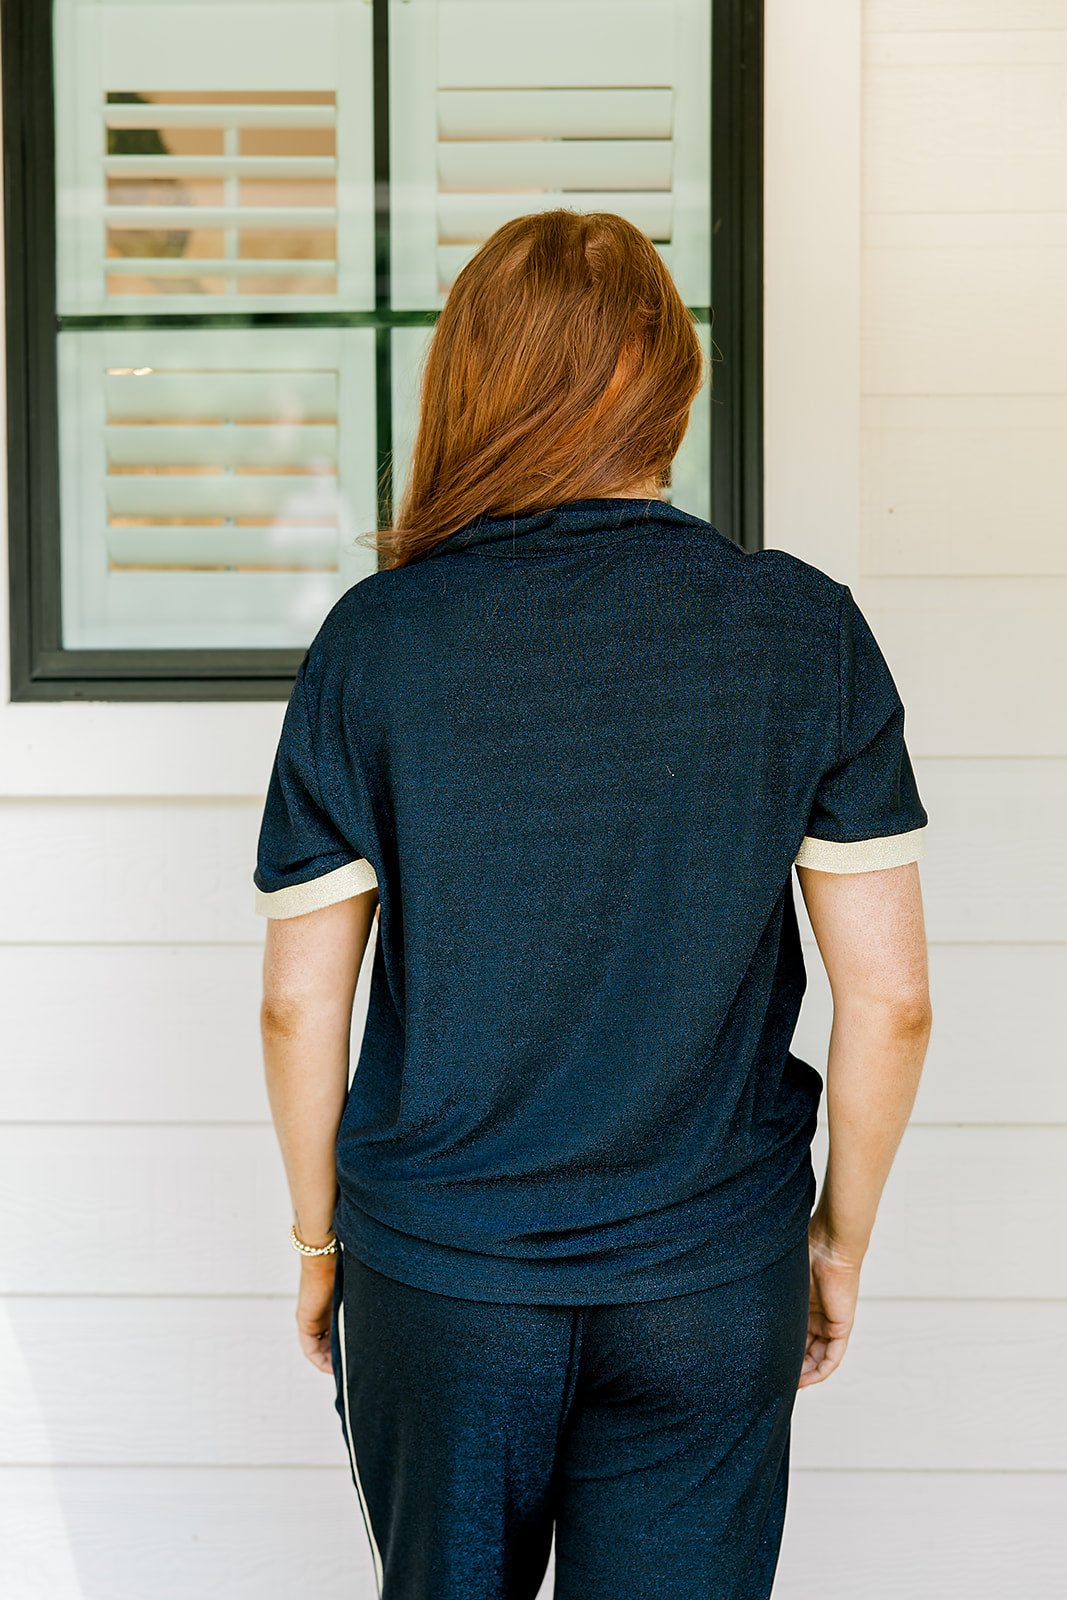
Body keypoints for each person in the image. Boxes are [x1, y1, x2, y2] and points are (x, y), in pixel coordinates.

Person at [253, 209, 933, 1600]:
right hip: (707, 1275)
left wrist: (321, 1247)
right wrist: (839, 1246)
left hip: (439, 1284)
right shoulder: (801, 630)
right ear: (671, 383)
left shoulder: (375, 645)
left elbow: (294, 1004)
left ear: (471, 383)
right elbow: (894, 1000)